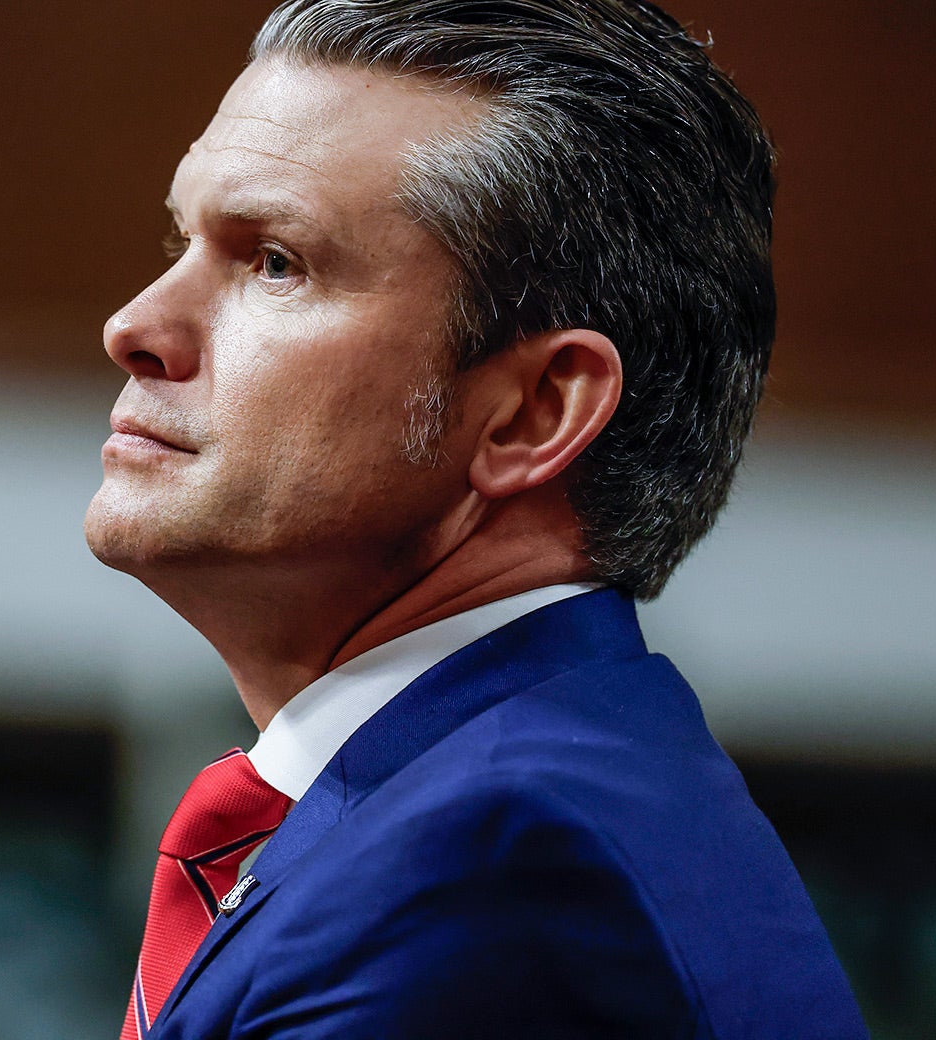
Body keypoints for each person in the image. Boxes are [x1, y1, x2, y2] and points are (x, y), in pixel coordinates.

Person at [84, 0, 868, 1035]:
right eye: (181, 239)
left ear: (534, 412)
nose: (134, 326)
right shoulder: (522, 784)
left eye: (276, 260)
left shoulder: (488, 857)